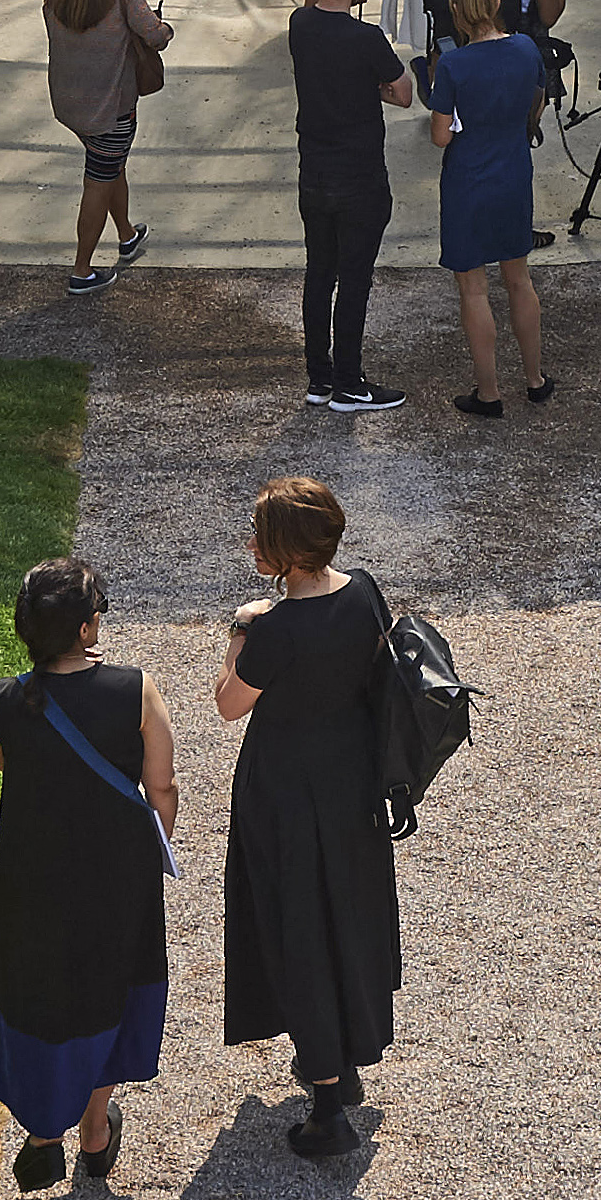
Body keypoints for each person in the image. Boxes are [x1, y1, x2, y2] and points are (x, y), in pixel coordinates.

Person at [216, 476, 403, 1160]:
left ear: (283, 553)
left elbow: (229, 704)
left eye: (259, 536)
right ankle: (344, 1059)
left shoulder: (275, 630)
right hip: (351, 787)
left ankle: (326, 1106)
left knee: (297, 928)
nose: (249, 543)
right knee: (345, 920)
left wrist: (240, 629)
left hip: (284, 794)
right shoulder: (363, 592)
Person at [0, 555, 175, 1191]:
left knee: (39, 998)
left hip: (28, 878)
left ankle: (41, 1134)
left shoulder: (0, 699)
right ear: (88, 630)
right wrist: (155, 843)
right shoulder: (133, 689)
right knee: (107, 993)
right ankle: (95, 1129)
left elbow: (2, 762)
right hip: (114, 877)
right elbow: (161, 784)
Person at [291, 0, 414, 412]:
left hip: (314, 172)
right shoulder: (367, 39)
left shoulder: (299, 25)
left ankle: (319, 377)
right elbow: (403, 93)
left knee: (319, 273)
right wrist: (371, 87)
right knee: (355, 279)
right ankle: (349, 380)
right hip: (359, 176)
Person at [423, 0, 552, 415]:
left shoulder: (455, 64)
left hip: (467, 183)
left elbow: (441, 135)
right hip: (514, 174)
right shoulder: (525, 49)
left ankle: (489, 391)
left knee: (474, 290)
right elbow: (535, 102)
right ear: (497, 3)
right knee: (519, 281)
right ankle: (535, 379)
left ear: (456, 9)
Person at [41, 0, 171, 292]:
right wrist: (165, 26)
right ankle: (82, 271)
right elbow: (156, 37)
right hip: (111, 111)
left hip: (71, 107)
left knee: (111, 168)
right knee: (98, 182)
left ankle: (127, 234)